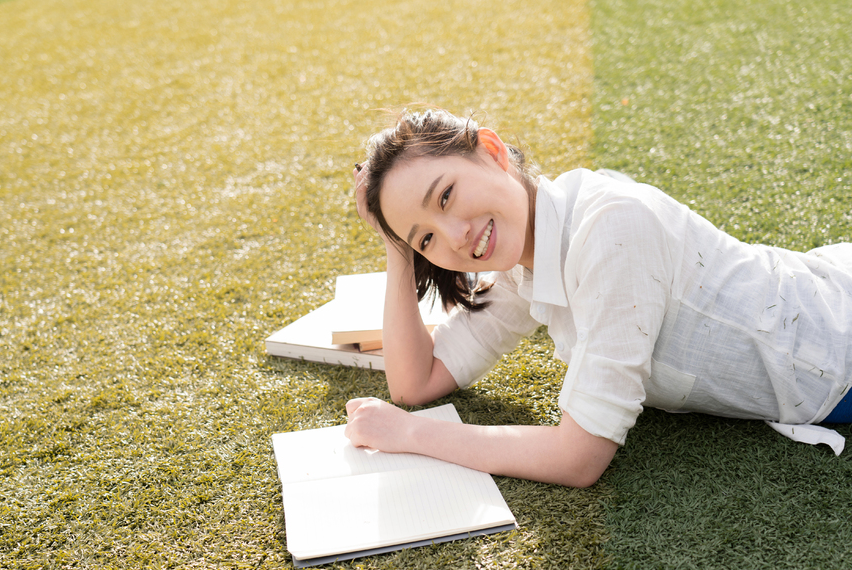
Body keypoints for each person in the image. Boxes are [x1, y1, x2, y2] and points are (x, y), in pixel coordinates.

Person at [343, 108, 852, 487]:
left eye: (446, 195)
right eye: (427, 238)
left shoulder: (611, 230)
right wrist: (398, 248)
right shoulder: (525, 256)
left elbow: (577, 457)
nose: (453, 237)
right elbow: (416, 382)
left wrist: (409, 435)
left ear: (492, 152)